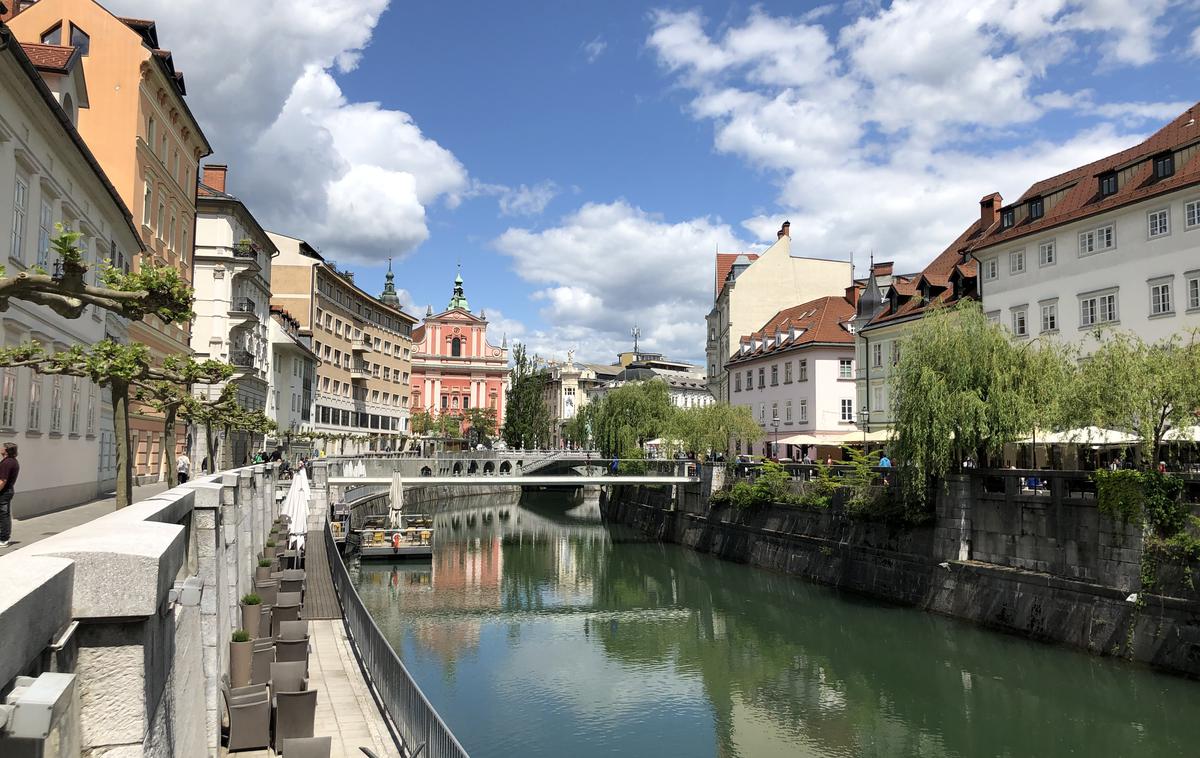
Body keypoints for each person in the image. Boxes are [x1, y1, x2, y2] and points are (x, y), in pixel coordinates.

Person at [0, 443, 20, 548]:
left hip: (4, 492)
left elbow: (3, 480)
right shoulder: (12, 461)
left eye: (2, 447)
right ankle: (3, 537)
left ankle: (3, 539)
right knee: (4, 515)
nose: (0, 448)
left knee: (4, 515)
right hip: (7, 491)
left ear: (7, 450)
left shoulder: (7, 463)